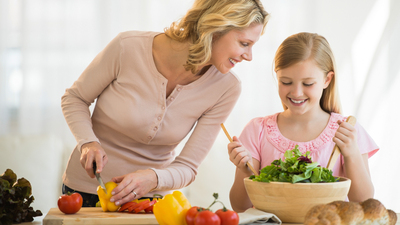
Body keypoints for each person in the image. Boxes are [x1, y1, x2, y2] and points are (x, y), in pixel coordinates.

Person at [61, 0, 269, 207]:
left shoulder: (227, 87)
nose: (249, 56)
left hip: (153, 201)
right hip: (85, 191)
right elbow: (75, 98)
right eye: (244, 43)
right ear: (216, 29)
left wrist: (154, 178)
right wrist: (88, 142)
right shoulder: (128, 47)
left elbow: (188, 167)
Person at [227, 32, 379, 212]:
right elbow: (240, 207)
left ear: (327, 80)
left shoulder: (346, 130)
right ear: (277, 78)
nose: (297, 92)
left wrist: (352, 153)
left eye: (307, 84)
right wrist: (245, 171)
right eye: (286, 82)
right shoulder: (256, 130)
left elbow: (364, 202)